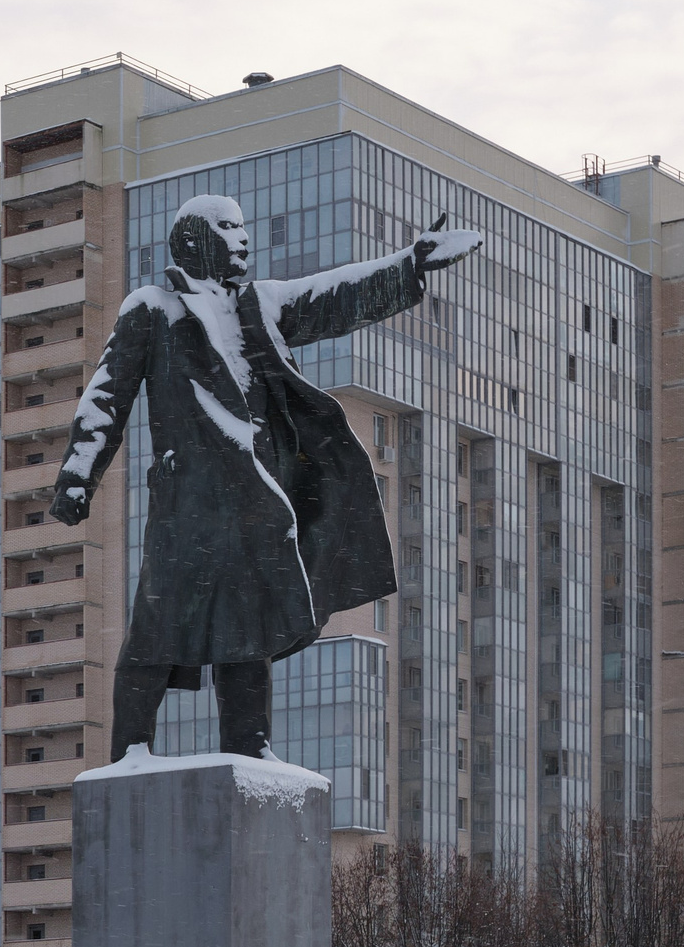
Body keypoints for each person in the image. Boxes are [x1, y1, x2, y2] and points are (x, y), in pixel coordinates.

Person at [52, 195, 481, 759]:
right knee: (156, 631)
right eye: (228, 228)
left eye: (243, 227)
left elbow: (335, 296)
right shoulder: (153, 309)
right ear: (194, 240)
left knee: (246, 636)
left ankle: (249, 752)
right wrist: (78, 476)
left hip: (258, 503)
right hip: (189, 507)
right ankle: (130, 752)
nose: (243, 239)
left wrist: (408, 265)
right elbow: (107, 396)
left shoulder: (261, 306)